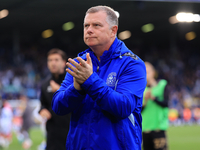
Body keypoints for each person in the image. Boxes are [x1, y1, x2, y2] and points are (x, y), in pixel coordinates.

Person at [52, 5, 146, 150]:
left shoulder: (132, 63)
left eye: (96, 25)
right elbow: (58, 106)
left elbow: (123, 107)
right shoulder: (79, 62)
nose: (89, 30)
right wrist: (76, 89)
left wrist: (90, 81)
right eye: (86, 25)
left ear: (113, 31)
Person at [39, 48, 71, 150]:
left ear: (64, 63)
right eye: (50, 60)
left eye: (56, 60)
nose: (53, 63)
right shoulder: (45, 84)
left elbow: (80, 102)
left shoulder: (73, 81)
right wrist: (42, 110)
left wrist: (60, 91)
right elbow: (43, 104)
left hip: (71, 132)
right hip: (52, 135)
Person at [141, 62, 169, 150]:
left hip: (158, 128)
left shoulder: (162, 85)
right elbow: (138, 111)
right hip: (145, 128)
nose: (146, 74)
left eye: (147, 71)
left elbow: (166, 104)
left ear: (153, 72)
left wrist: (153, 98)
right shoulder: (141, 90)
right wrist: (145, 101)